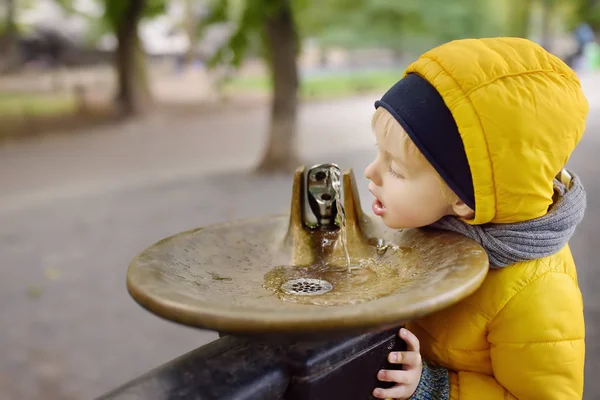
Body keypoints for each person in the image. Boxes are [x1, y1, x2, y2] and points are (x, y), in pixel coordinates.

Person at [365, 37, 587, 399]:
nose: (370, 173)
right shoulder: (431, 229)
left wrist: (434, 388)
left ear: (465, 202)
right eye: (379, 153)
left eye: (397, 170)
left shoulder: (537, 289)